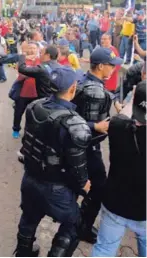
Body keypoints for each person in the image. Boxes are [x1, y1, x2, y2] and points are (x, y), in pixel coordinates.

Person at [14, 66, 91, 257]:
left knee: (29, 218)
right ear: (73, 88)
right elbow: (77, 166)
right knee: (74, 224)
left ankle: (24, 253)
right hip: (55, 188)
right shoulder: (75, 124)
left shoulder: (34, 106)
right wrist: (84, 184)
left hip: (30, 178)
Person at [73, 47, 123, 244]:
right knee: (99, 187)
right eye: (111, 66)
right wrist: (99, 126)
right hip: (87, 147)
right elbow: (87, 127)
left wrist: (112, 100)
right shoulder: (95, 91)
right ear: (101, 66)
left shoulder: (86, 80)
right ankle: (81, 227)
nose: (113, 69)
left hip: (80, 146)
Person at [92, 81, 146, 257]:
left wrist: (136, 96)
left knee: (104, 250)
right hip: (144, 211)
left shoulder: (117, 126)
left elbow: (124, 113)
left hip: (115, 203)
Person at [12, 42, 40, 139]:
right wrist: (33, 72)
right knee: (18, 112)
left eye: (34, 48)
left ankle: (29, 132)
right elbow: (21, 73)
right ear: (27, 49)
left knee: (33, 115)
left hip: (36, 93)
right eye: (30, 48)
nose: (32, 50)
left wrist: (27, 70)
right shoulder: (22, 59)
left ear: (37, 50)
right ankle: (16, 129)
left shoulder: (39, 60)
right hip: (22, 92)